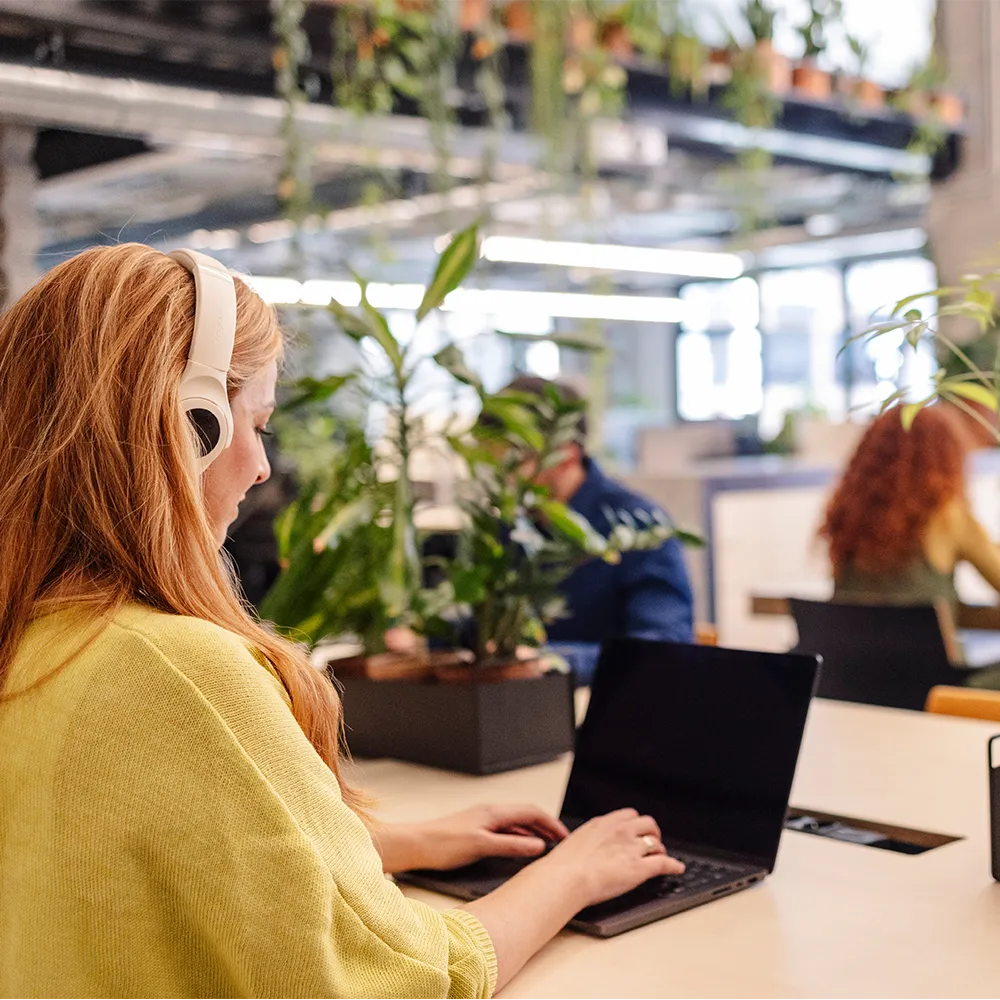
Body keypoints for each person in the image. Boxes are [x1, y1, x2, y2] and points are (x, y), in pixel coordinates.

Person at [0, 244, 684, 1000]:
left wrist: (405, 843)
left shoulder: (31, 639)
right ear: (188, 429)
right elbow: (407, 977)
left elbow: (133, 860)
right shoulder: (176, 669)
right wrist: (572, 875)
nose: (262, 467)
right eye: (254, 424)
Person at [497, 376, 694, 649]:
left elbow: (663, 648)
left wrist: (546, 663)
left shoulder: (637, 526)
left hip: (602, 691)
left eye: (513, 462)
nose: (500, 478)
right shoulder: (503, 528)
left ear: (566, 456)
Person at [821, 402, 1000, 612]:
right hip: (927, 645)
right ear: (944, 455)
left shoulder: (851, 516)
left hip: (846, 645)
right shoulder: (948, 517)